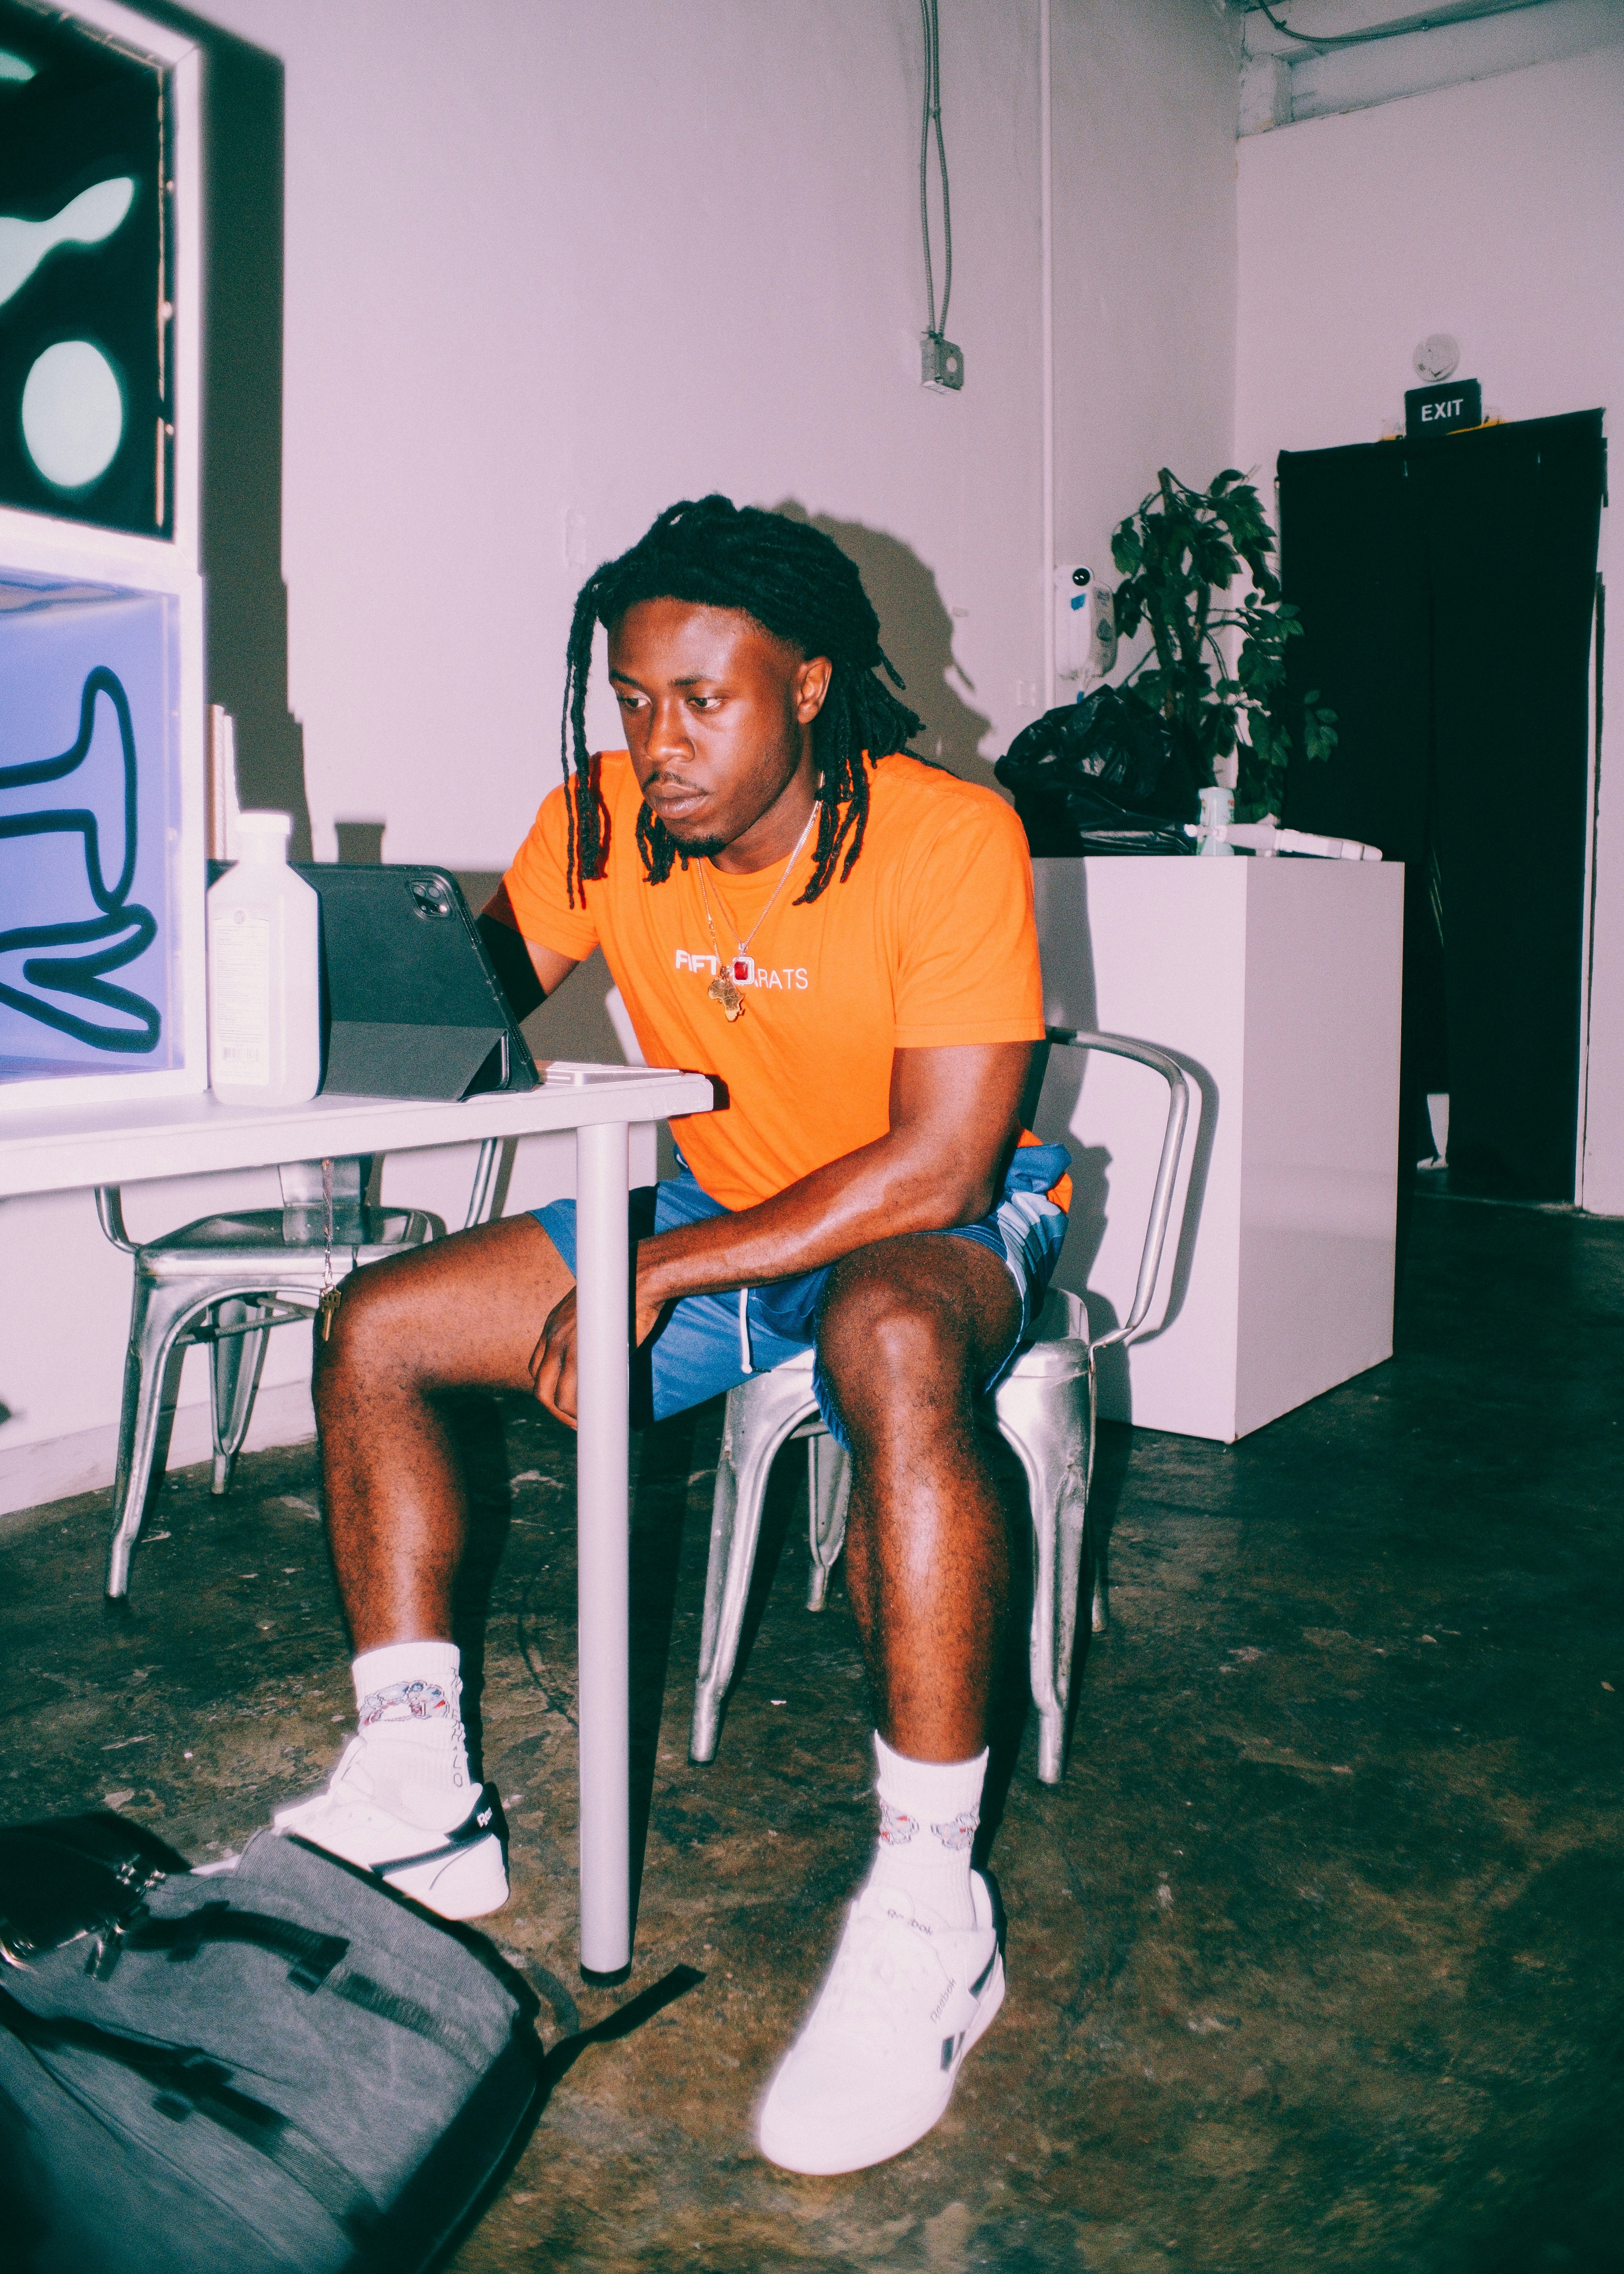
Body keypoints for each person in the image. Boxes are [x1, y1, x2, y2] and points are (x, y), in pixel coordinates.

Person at [274, 496, 1070, 2175]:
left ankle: (934, 1903)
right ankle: (421, 1796)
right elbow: (449, 1012)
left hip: (933, 1228)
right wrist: (278, 967)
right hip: (716, 1216)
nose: (659, 741)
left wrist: (660, 1271)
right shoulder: (601, 825)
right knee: (379, 1329)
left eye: (701, 699)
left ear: (811, 688)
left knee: (893, 1345)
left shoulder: (944, 836)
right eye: (632, 700)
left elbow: (939, 1161)